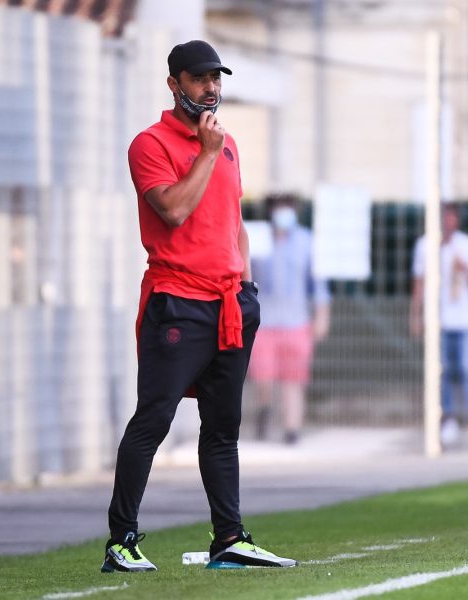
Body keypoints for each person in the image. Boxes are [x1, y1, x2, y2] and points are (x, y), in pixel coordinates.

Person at [102, 40, 296, 573]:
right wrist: (206, 153)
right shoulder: (150, 144)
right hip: (177, 304)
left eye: (216, 78)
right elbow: (173, 211)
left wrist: (247, 288)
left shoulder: (228, 145)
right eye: (199, 79)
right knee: (154, 420)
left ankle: (228, 539)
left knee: (222, 428)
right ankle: (122, 541)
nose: (211, 88)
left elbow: (233, 220)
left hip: (230, 304)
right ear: (174, 84)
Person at [409, 203, 468, 446]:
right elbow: (418, 284)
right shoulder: (425, 246)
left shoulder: (467, 245)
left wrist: (464, 266)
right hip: (437, 320)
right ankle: (447, 419)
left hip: (465, 319)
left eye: (451, 218)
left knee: (467, 369)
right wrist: (415, 316)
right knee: (443, 371)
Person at [249, 193, 330, 445]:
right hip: (264, 320)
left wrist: (322, 315)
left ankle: (292, 428)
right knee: (263, 375)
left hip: (296, 321)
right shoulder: (257, 240)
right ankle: (265, 407)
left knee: (293, 378)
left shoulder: (307, 241)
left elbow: (318, 283)